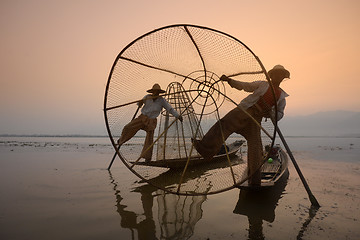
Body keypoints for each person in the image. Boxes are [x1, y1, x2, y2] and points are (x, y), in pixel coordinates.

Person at [193, 65, 290, 185]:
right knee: (223, 125)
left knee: (256, 148)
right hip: (244, 110)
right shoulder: (262, 84)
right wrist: (230, 81)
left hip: (256, 119)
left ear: (283, 78)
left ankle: (254, 180)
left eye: (281, 75)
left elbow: (279, 115)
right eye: (276, 74)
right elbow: (246, 86)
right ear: (271, 75)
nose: (278, 77)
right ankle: (205, 149)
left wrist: (270, 112)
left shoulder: (281, 96)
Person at [117, 83, 183, 162]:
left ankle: (147, 158)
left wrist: (178, 116)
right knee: (128, 127)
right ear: (152, 92)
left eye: (157, 92)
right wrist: (140, 102)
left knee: (149, 139)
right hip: (142, 118)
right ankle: (120, 141)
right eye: (154, 91)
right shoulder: (147, 97)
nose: (156, 93)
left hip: (152, 121)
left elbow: (170, 109)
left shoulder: (162, 100)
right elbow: (139, 104)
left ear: (159, 92)